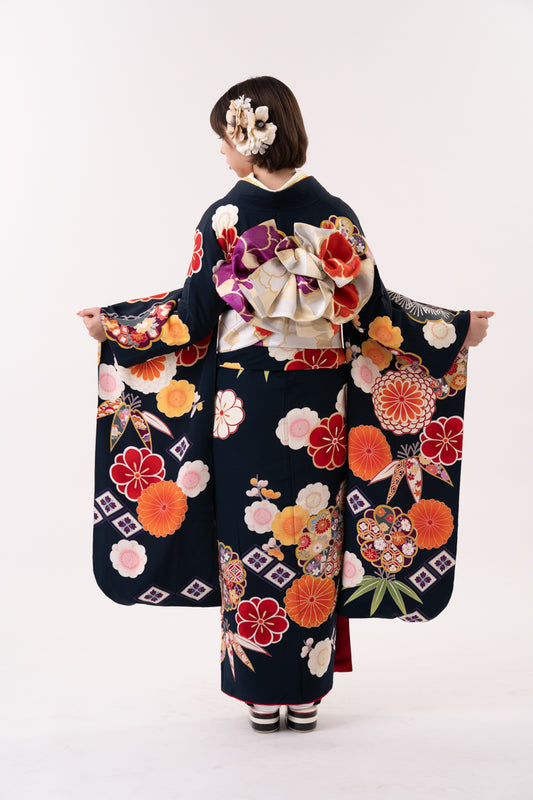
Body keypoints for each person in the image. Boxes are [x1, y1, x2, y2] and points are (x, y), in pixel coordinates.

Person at [79, 76, 492, 734]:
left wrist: (120, 326)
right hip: (319, 405)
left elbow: (191, 315)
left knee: (254, 534)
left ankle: (262, 693)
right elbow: (377, 314)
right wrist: (449, 329)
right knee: (309, 535)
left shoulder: (224, 217)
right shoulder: (334, 215)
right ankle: (304, 692)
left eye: (225, 138)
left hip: (242, 405)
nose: (221, 151)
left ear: (250, 137)